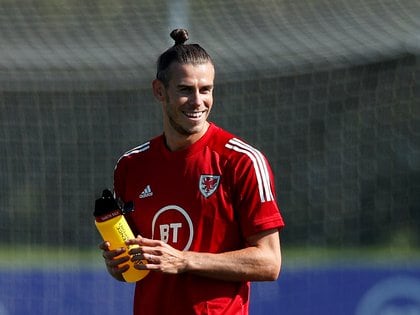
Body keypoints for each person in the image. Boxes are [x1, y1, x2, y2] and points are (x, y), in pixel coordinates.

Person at [99, 28, 285, 315]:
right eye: (185, 90)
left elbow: (269, 262)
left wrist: (185, 260)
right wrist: (119, 265)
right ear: (159, 91)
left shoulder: (243, 161)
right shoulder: (130, 166)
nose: (198, 101)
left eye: (205, 89)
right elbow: (135, 266)